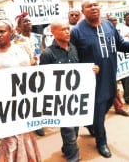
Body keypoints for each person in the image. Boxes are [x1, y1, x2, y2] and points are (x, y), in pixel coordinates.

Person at [70, 0, 129, 158]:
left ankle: (91, 123)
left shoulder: (109, 25)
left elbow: (120, 44)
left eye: (96, 5)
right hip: (92, 80)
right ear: (83, 11)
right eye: (89, 6)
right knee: (98, 109)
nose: (94, 8)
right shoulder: (76, 32)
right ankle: (101, 142)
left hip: (111, 76)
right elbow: (72, 57)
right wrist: (84, 69)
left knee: (109, 102)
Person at [0, 17, 41, 162]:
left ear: (10, 31)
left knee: (26, 133)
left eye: (2, 31)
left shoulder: (23, 49)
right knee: (10, 139)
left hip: (25, 101)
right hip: (4, 105)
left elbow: (33, 70)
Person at [40, 18, 99, 162]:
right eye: (63, 29)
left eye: (68, 29)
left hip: (75, 96)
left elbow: (79, 70)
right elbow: (43, 79)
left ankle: (67, 148)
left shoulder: (73, 48)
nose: (67, 32)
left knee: (75, 126)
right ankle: (73, 157)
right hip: (60, 100)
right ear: (53, 32)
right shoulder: (47, 54)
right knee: (68, 129)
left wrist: (91, 70)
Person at [14, 12, 45, 136]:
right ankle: (35, 123)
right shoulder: (16, 41)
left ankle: (40, 119)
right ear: (19, 27)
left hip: (39, 70)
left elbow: (43, 50)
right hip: (26, 72)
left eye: (29, 21)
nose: (28, 23)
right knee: (30, 97)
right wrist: (28, 63)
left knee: (40, 96)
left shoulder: (38, 36)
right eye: (25, 22)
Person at [108, 15, 129, 116]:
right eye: (111, 20)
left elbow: (122, 45)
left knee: (115, 87)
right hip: (105, 65)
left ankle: (119, 106)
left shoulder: (117, 32)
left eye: (115, 20)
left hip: (118, 63)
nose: (113, 22)